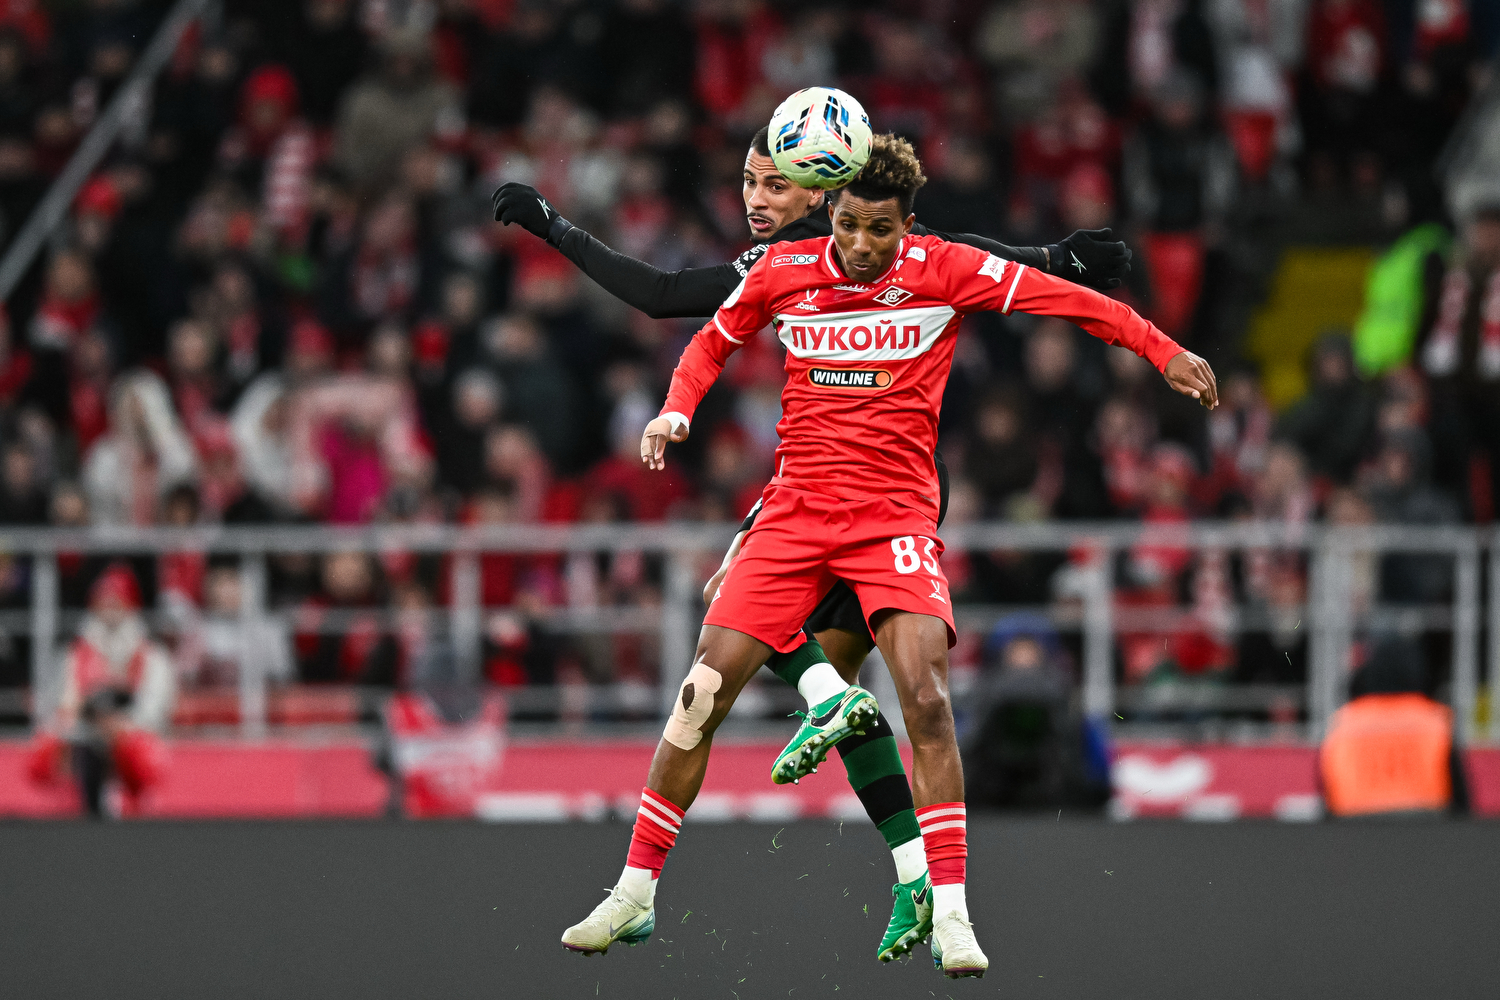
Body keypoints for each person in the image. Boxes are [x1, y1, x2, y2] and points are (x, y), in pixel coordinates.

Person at [560, 135, 1217, 977]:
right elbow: (709, 342)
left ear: (909, 224)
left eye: (881, 229)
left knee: (928, 701)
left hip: (891, 521)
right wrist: (675, 410)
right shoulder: (782, 269)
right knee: (699, 695)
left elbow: (1070, 301)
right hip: (794, 516)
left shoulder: (945, 268)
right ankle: (635, 893)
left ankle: (953, 914)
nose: (863, 245)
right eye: (850, 225)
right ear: (829, 211)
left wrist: (1163, 350)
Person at [1320, 636, 1468, 817]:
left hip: (1354, 827)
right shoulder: (1435, 722)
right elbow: (1461, 804)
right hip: (1426, 827)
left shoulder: (1344, 724)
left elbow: (1326, 799)